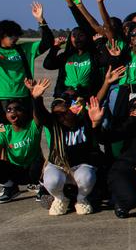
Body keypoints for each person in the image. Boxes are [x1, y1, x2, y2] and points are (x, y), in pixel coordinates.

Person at [0, 2, 51, 125]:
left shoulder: (26, 49)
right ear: (0, 37)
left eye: (16, 35)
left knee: (21, 135)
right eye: (11, 35)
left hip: (22, 98)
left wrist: (41, 20)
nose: (15, 38)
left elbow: (48, 41)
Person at [35, 87, 105, 216]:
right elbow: (40, 114)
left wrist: (96, 123)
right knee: (51, 180)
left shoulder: (84, 120)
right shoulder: (54, 124)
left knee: (87, 178)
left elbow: (96, 102)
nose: (61, 117)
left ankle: (81, 199)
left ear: (72, 110)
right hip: (58, 165)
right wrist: (37, 98)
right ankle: (60, 199)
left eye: (64, 112)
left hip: (81, 166)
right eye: (57, 114)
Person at [0, 80, 49, 204]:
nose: (13, 112)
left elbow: (38, 113)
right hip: (16, 171)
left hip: (34, 171)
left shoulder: (33, 126)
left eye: (18, 109)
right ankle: (10, 187)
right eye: (9, 110)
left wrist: (35, 96)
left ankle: (42, 187)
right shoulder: (3, 130)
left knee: (39, 163)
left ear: (24, 113)